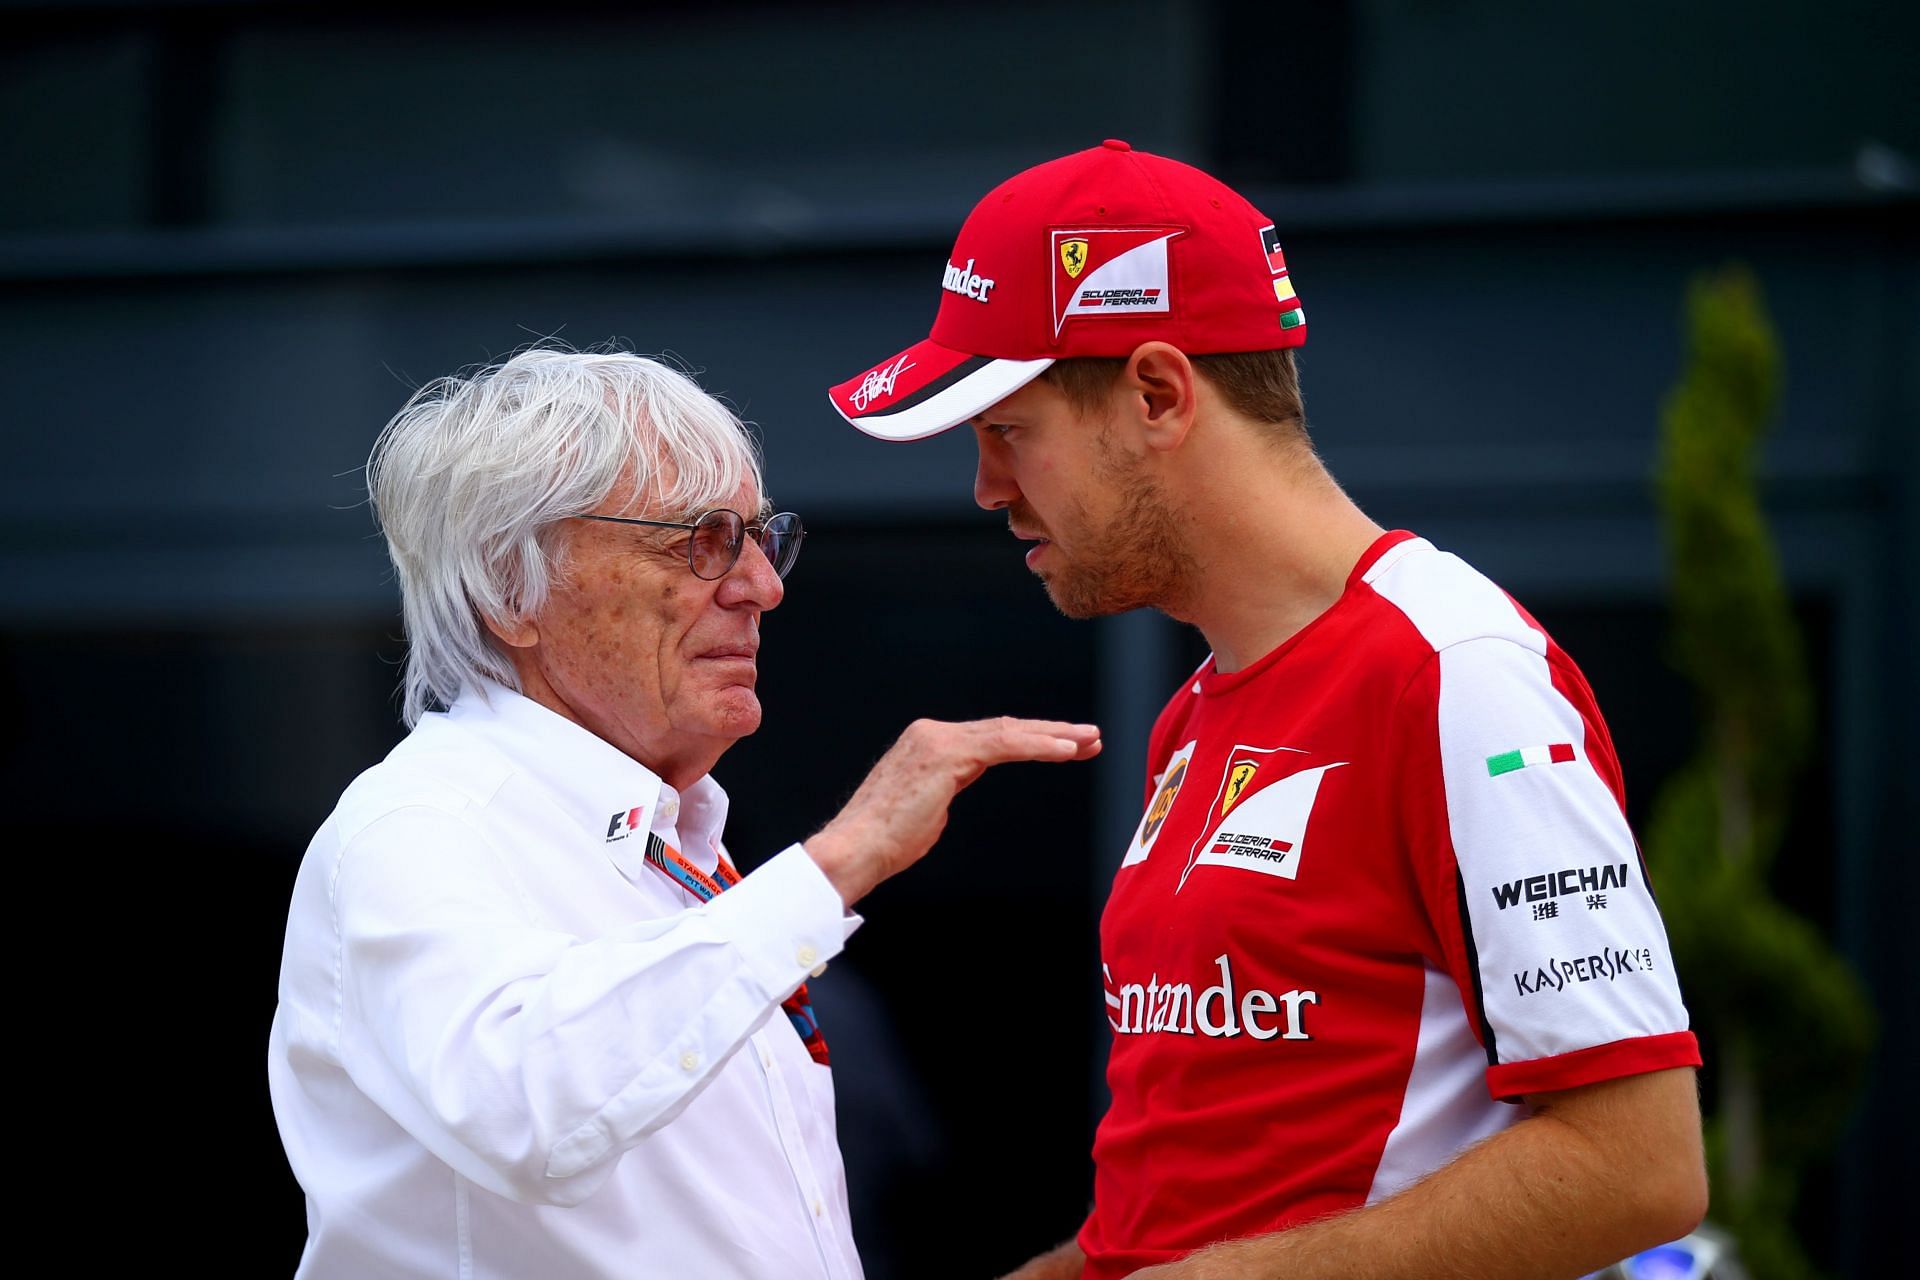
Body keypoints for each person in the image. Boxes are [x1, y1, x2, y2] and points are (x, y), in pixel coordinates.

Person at [827, 141, 1706, 1280]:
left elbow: (1639, 1167)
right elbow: (1184, 1208)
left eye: (1007, 429)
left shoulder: (1457, 672)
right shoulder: (1197, 709)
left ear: (1156, 393)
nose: (987, 487)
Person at [267, 348, 1100, 1279]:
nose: (762, 586)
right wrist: (845, 858)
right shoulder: (422, 821)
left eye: (759, 536)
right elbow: (524, 1109)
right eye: (698, 540)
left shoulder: (668, 839)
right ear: (513, 590)